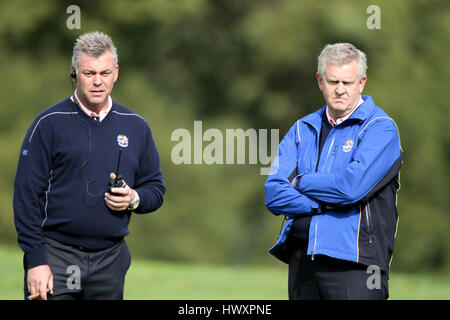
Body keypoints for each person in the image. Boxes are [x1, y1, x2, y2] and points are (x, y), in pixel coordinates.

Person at [13, 31, 165, 300]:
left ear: (116, 73)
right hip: (55, 256)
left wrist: (133, 198)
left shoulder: (137, 126)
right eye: (89, 73)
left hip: (111, 259)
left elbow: (155, 189)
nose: (98, 82)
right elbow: (26, 197)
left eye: (104, 73)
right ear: (73, 73)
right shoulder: (48, 124)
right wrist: (36, 260)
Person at [265, 43, 402, 300]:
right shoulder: (301, 128)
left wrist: (302, 181)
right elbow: (273, 194)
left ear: (362, 83)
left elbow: (349, 188)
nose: (340, 90)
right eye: (333, 81)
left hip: (358, 265)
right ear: (320, 81)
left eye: (348, 82)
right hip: (302, 259)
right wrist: (324, 204)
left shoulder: (380, 129)